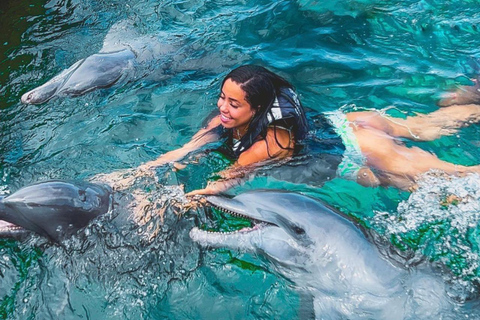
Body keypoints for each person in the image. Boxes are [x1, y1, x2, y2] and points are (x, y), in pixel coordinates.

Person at [100, 64, 480, 194]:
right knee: (428, 126)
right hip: (349, 121)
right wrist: (131, 175)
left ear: (258, 109)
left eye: (234, 104)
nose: (223, 108)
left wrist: (182, 201)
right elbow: (181, 153)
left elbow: (227, 180)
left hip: (364, 147)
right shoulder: (223, 122)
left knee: (460, 181)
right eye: (222, 98)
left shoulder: (269, 142)